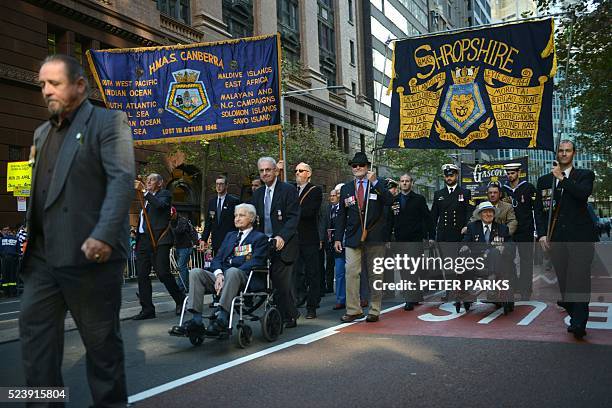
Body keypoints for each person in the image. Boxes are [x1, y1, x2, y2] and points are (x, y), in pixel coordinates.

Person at [19, 54, 133, 406]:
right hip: (42, 259)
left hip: (90, 258)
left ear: (79, 86)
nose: (46, 91)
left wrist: (103, 234)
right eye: (42, 84)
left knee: (102, 353)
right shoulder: (40, 132)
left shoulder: (108, 122)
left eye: (55, 83)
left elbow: (121, 180)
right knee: (36, 348)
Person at [170, 204, 269, 336]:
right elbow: (217, 258)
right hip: (223, 277)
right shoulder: (230, 236)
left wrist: (228, 274)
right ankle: (196, 321)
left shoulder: (259, 238)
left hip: (245, 278)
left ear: (251, 218)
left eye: (241, 215)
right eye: (235, 216)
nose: (237, 219)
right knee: (195, 273)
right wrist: (219, 274)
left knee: (233, 271)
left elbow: (255, 261)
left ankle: (222, 319)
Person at [534, 140, 597, 339]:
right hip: (557, 240)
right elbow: (540, 211)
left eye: (567, 151)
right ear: (557, 153)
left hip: (581, 238)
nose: (563, 154)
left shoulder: (584, 175)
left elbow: (582, 194)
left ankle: (579, 323)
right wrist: (542, 234)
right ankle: (573, 311)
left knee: (579, 279)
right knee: (564, 282)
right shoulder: (544, 181)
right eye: (560, 151)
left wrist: (562, 178)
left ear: (574, 154)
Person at [334, 152, 392, 323]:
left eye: (361, 165)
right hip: (352, 237)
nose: (357, 168)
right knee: (351, 271)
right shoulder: (346, 188)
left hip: (374, 235)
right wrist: (338, 237)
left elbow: (389, 201)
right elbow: (341, 216)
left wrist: (374, 182)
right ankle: (353, 310)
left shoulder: (379, 184)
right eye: (354, 165)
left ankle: (374, 310)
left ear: (367, 167)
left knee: (375, 274)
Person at [251, 157, 301, 328]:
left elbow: (294, 217)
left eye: (268, 170)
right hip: (264, 245)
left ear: (276, 171)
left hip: (284, 244)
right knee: (267, 281)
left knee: (281, 282)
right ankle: (282, 313)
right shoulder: (257, 194)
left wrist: (282, 237)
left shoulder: (288, 190)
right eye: (261, 171)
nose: (265, 173)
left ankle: (289, 316)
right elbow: (254, 220)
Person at [133, 173, 185, 320]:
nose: (148, 181)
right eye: (147, 180)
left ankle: (180, 300)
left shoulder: (164, 194)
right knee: (142, 275)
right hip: (143, 241)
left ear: (160, 183)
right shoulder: (147, 200)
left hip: (160, 239)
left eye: (152, 180)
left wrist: (145, 192)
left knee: (163, 272)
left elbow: (161, 206)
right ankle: (147, 309)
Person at [390, 174, 434, 311]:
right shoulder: (395, 200)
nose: (404, 183)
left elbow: (428, 218)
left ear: (411, 183)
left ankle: (410, 298)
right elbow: (389, 221)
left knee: (413, 269)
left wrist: (431, 236)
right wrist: (387, 238)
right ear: (399, 183)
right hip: (400, 239)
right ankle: (413, 295)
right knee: (404, 270)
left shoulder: (419, 199)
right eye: (402, 181)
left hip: (415, 239)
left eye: (407, 181)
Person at [461, 201, 514, 313]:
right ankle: (470, 290)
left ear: (494, 214)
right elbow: (465, 242)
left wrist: (504, 248)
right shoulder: (472, 227)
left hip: (496, 261)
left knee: (494, 251)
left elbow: (511, 245)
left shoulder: (502, 228)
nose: (488, 214)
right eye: (485, 212)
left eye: (490, 212)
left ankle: (491, 282)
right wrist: (465, 246)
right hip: (477, 260)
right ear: (480, 215)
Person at [430, 164, 473, 299]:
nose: (449, 178)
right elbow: (433, 217)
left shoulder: (465, 193)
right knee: (447, 265)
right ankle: (450, 292)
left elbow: (469, 212)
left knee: (460, 266)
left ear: (457, 176)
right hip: (444, 234)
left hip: (459, 234)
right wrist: (431, 236)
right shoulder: (439, 194)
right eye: (447, 175)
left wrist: (467, 226)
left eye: (451, 175)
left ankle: (462, 291)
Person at [502, 162, 537, 300]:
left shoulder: (528, 188)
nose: (510, 176)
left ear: (519, 173)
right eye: (508, 173)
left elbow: (537, 210)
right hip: (509, 231)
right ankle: (514, 285)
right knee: (508, 259)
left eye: (513, 173)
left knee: (526, 261)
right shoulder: (503, 190)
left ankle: (526, 290)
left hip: (525, 230)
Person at [293, 162, 323, 319]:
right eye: (296, 170)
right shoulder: (291, 190)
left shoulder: (315, 190)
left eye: (301, 170)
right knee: (296, 273)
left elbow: (309, 212)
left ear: (309, 174)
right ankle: (298, 299)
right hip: (294, 239)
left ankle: (312, 306)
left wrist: (292, 212)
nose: (297, 172)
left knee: (312, 273)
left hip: (309, 238)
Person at [202, 175, 240, 254]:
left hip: (230, 240)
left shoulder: (234, 201)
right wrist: (203, 239)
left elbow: (238, 222)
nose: (219, 186)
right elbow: (208, 222)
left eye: (221, 184)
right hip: (216, 241)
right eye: (217, 184)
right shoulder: (211, 202)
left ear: (226, 185)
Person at [320, 187, 345, 308]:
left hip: (343, 240)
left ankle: (351, 297)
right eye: (330, 196)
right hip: (330, 241)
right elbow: (324, 223)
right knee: (331, 266)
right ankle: (331, 288)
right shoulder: (327, 208)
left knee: (346, 270)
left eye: (334, 195)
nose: (332, 198)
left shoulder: (345, 207)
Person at [171, 212, 198, 293]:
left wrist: (169, 228)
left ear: (174, 214)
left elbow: (179, 231)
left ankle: (181, 286)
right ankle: (188, 285)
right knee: (183, 268)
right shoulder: (172, 222)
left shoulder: (182, 221)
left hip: (186, 247)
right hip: (178, 247)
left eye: (171, 215)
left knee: (181, 266)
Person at [0, 226, 20, 296]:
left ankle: (6, 292)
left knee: (5, 276)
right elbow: (19, 251)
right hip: (13, 259)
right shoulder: (16, 239)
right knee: (13, 275)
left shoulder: (1, 240)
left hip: (5, 259)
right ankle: (13, 292)